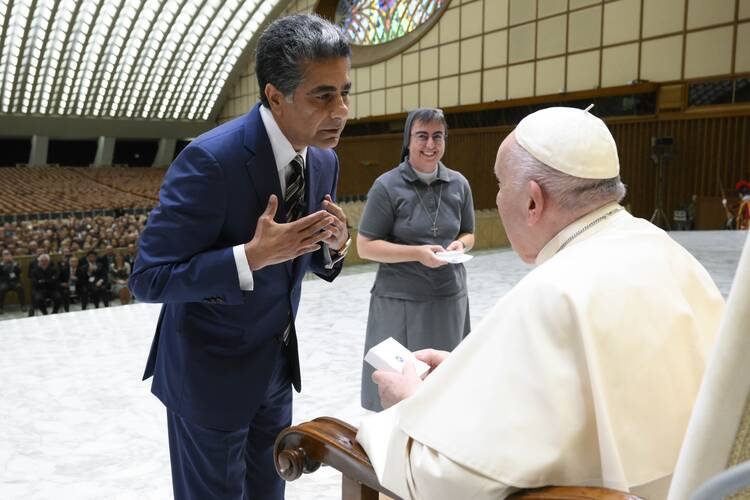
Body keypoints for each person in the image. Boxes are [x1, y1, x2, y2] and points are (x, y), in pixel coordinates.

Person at [356, 106, 725, 500]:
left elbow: (449, 480)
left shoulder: (553, 292)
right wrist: (476, 377)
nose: (497, 199)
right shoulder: (664, 248)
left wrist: (413, 406)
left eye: (500, 185)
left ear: (533, 201)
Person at [128, 13, 352, 500]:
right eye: (323, 95)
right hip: (208, 375)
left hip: (275, 368)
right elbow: (147, 278)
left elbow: (305, 256)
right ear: (275, 96)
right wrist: (247, 258)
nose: (342, 110)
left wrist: (334, 246)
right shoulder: (210, 160)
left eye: (344, 91)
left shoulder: (325, 158)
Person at [357, 108, 475, 411]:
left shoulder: (459, 184)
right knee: (398, 392)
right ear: (408, 141)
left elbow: (468, 232)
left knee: (444, 387)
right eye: (422, 136)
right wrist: (417, 254)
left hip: (448, 298)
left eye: (438, 136)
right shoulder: (386, 186)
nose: (430, 144)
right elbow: (365, 246)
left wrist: (459, 244)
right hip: (400, 304)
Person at [0, 249, 25, 313]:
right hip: (5, 282)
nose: (7, 256)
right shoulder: (1, 264)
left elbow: (19, 271)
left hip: (15, 282)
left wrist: (13, 264)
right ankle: (0, 308)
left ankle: (23, 306)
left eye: (8, 254)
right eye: (5, 255)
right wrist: (3, 265)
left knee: (20, 288)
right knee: (1, 289)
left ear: (11, 255)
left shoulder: (16, 263)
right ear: (2, 256)